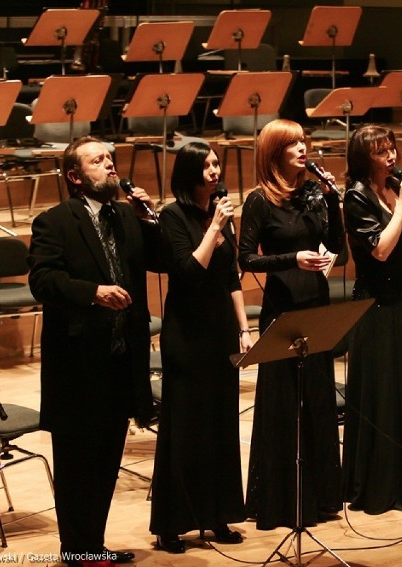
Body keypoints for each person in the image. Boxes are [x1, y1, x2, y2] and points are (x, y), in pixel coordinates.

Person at [29, 136, 161, 566]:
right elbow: (43, 281)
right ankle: (76, 550)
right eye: (97, 160)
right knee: (76, 466)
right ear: (74, 176)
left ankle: (93, 547)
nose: (109, 164)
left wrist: (151, 217)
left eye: (110, 157)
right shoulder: (54, 222)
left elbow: (160, 261)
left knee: (106, 461)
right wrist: (93, 293)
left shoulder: (127, 215)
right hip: (78, 364)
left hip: (122, 358)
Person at [239, 119, 344, 530]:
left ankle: (319, 497)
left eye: (304, 141)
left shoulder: (315, 194)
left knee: (317, 399)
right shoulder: (259, 201)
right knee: (283, 402)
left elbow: (338, 250)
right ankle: (279, 500)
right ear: (274, 152)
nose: (303, 148)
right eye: (293, 143)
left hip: (316, 303)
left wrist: (334, 204)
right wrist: (292, 259)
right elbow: (247, 259)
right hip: (282, 307)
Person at [149, 142, 254, 553]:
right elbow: (188, 272)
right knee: (185, 429)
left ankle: (218, 514)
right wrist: (213, 229)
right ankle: (172, 524)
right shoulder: (173, 216)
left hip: (221, 332)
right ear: (191, 171)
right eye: (207, 165)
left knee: (221, 425)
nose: (215, 171)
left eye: (216, 164)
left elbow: (231, 278)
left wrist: (245, 329)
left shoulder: (222, 214)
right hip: (186, 334)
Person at [341, 125, 402, 514]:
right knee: (383, 396)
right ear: (365, 159)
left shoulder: (392, 188)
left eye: (392, 149)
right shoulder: (356, 198)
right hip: (375, 309)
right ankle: (380, 484)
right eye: (382, 152)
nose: (391, 157)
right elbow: (381, 250)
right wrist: (401, 206)